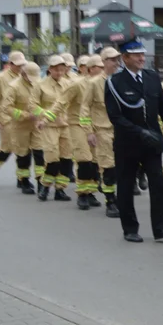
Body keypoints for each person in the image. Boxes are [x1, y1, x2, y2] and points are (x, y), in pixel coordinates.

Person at [104, 39, 163, 243]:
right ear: (125, 58)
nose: (141, 58)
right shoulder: (114, 82)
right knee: (126, 186)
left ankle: (162, 227)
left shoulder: (152, 77)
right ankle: (130, 228)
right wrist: (139, 132)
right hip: (127, 143)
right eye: (136, 55)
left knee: (157, 185)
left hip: (152, 141)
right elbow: (115, 117)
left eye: (142, 54)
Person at [53, 54, 101, 210]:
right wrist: (46, 118)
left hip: (97, 126)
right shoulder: (77, 85)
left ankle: (91, 192)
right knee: (84, 158)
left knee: (95, 160)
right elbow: (61, 103)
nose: (101, 70)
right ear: (89, 69)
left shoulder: (104, 84)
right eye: (98, 68)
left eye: (102, 67)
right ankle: (82, 194)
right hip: (77, 125)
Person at [81, 47, 122, 218]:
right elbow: (84, 108)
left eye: (117, 59)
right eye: (112, 60)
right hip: (102, 129)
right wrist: (89, 131)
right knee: (108, 165)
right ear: (104, 62)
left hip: (121, 129)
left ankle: (119, 197)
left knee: (122, 166)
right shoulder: (93, 83)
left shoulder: (121, 80)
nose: (116, 63)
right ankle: (110, 201)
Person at [29, 55, 73, 202]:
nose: (59, 73)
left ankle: (60, 189)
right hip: (48, 125)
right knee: (52, 158)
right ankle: (45, 186)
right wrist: (44, 114)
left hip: (66, 125)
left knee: (66, 158)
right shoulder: (40, 85)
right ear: (50, 69)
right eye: (56, 70)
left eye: (62, 70)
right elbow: (32, 106)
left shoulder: (69, 84)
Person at [0, 60, 43, 194]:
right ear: (23, 74)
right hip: (20, 125)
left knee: (39, 152)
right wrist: (24, 115)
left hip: (37, 124)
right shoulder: (14, 87)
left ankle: (41, 181)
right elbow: (6, 107)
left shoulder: (39, 84)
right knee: (23, 154)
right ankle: (24, 180)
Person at [0, 51, 27, 182]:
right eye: (18, 65)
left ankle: (22, 179)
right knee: (9, 146)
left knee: (24, 146)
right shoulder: (1, 78)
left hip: (23, 116)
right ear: (10, 64)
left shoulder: (26, 76)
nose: (21, 68)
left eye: (22, 65)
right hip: (6, 116)